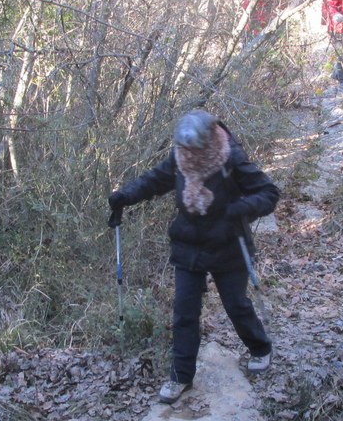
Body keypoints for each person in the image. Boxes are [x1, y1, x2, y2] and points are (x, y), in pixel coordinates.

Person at [108, 109, 280, 404]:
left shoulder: (231, 158)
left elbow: (268, 193)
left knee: (236, 304)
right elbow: (154, 180)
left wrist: (244, 208)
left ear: (209, 139)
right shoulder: (180, 158)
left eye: (193, 147)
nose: (188, 152)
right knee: (184, 312)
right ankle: (181, 376)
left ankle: (260, 347)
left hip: (227, 243)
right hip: (189, 244)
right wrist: (125, 196)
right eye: (184, 147)